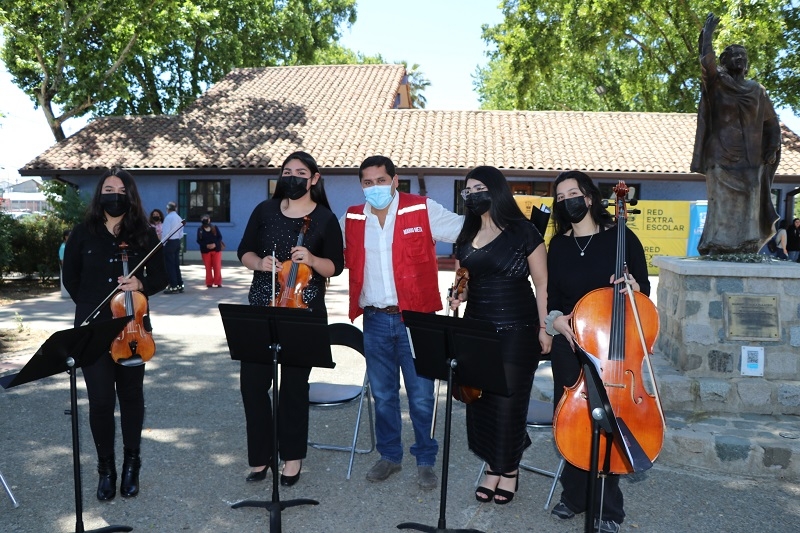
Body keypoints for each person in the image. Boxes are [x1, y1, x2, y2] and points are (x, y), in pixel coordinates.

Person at [341, 155, 463, 490]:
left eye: (381, 180)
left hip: (417, 319)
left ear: (395, 181)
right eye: (368, 182)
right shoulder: (351, 218)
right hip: (376, 320)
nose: (375, 188)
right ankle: (390, 456)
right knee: (383, 394)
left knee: (422, 395)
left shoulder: (421, 209)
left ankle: (425, 459)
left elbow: (465, 232)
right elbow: (331, 253)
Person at [545, 170, 651, 533]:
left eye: (572, 193)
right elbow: (553, 301)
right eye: (560, 197)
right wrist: (557, 323)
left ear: (589, 197)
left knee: (606, 422)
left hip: (612, 350)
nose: (566, 201)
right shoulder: (557, 245)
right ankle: (574, 496)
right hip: (569, 344)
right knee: (572, 419)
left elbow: (643, 295)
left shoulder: (622, 237)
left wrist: (633, 288)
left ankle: (608, 509)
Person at [237, 151, 344, 486]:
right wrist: (259, 264)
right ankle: (260, 458)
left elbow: (335, 267)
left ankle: (292, 458)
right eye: (287, 171)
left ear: (314, 179)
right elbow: (245, 251)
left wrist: (312, 258)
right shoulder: (264, 211)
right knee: (253, 385)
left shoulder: (325, 218)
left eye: (301, 172)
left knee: (294, 388)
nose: (293, 177)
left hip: (304, 312)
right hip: (261, 307)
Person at [61, 167, 168, 501]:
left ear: (130, 195)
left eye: (121, 190)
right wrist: (96, 307)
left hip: (132, 327)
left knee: (132, 397)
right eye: (108, 188)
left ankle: (132, 464)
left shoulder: (143, 233)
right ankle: (105, 469)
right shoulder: (82, 232)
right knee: (101, 401)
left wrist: (141, 285)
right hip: (94, 328)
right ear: (99, 194)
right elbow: (71, 278)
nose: (114, 194)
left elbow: (161, 275)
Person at [448, 166, 550, 504]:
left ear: (496, 190)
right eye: (469, 190)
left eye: (480, 188)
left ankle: (508, 470)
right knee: (482, 402)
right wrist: (459, 294)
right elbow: (468, 277)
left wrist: (544, 329)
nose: (473, 195)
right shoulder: (468, 231)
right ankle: (495, 465)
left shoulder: (524, 231)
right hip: (477, 329)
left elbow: (542, 285)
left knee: (509, 403)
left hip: (517, 331)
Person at [691, 13, 782, 255]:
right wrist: (707, 36)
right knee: (720, 202)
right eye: (735, 55)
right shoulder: (716, 82)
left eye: (744, 55)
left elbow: (772, 123)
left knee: (752, 196)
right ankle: (716, 243)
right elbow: (706, 63)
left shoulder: (757, 90)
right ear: (724, 61)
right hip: (720, 153)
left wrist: (772, 147)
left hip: (750, 159)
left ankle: (747, 243)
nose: (740, 58)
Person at [162, 201, 184, 293]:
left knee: (169, 265)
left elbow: (166, 232)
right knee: (176, 264)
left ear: (167, 209)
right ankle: (179, 284)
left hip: (169, 243)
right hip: (177, 242)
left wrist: (162, 244)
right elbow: (181, 233)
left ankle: (173, 285)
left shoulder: (168, 218)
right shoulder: (179, 218)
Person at [196, 214, 224, 287]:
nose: (205, 220)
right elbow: (199, 240)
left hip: (216, 250)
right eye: (203, 219)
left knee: (217, 266)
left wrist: (215, 244)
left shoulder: (214, 227)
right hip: (205, 251)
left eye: (206, 219)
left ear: (209, 219)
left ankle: (218, 282)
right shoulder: (200, 229)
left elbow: (219, 237)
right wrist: (206, 245)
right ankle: (209, 282)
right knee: (208, 267)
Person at [59, 229, 71, 297]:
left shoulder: (69, 245)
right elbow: (62, 260)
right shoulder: (63, 247)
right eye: (70, 235)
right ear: (65, 237)